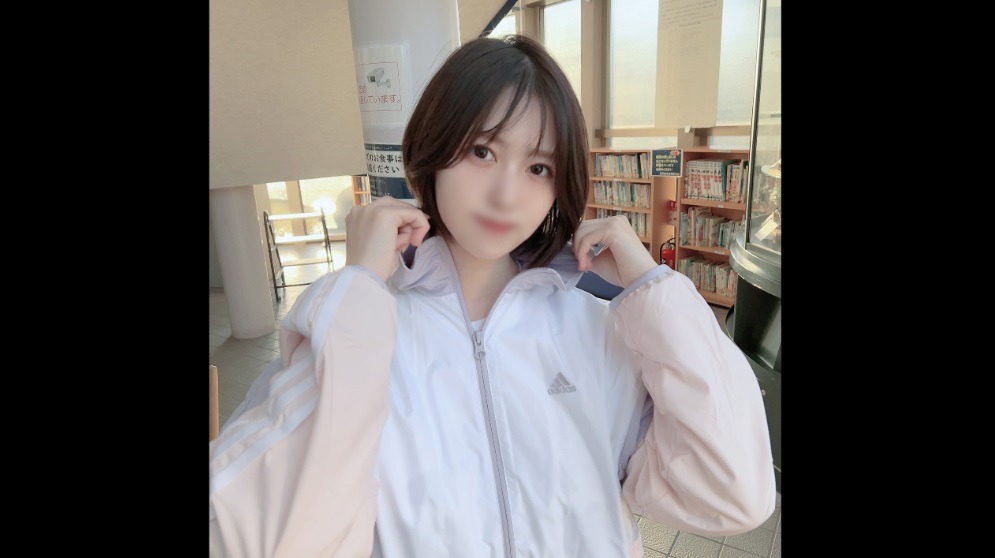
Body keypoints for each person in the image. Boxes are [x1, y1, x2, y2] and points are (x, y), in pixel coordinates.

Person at [209, 35, 775, 557]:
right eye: (482, 152)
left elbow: (732, 493)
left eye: (538, 167)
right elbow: (265, 539)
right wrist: (358, 290)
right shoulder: (360, 335)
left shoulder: (598, 329)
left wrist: (653, 287)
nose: (507, 195)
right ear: (433, 148)